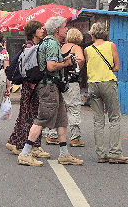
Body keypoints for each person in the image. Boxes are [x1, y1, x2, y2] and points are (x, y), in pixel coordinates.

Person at [17, 16, 83, 167]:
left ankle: (64, 154)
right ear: (57, 30)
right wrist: (67, 62)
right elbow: (51, 66)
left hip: (52, 86)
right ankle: (25, 153)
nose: (67, 30)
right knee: (41, 118)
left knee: (62, 120)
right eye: (65, 27)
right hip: (49, 86)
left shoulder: (48, 42)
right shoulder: (52, 44)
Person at [5, 21, 50, 161]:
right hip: (31, 85)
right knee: (30, 116)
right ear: (33, 32)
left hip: (30, 85)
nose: (42, 30)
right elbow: (29, 69)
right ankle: (26, 145)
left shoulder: (34, 46)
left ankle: (16, 142)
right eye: (39, 28)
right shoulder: (30, 47)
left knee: (26, 115)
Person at [85, 22, 128, 164]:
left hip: (93, 84)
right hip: (107, 82)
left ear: (92, 34)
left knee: (98, 120)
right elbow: (117, 67)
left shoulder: (87, 49)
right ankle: (115, 152)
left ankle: (100, 154)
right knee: (114, 117)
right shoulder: (111, 45)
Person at [45, 28, 84, 147]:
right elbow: (80, 59)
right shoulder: (76, 47)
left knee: (57, 108)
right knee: (73, 108)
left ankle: (52, 135)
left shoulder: (60, 47)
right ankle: (75, 137)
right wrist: (78, 67)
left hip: (59, 82)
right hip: (71, 83)